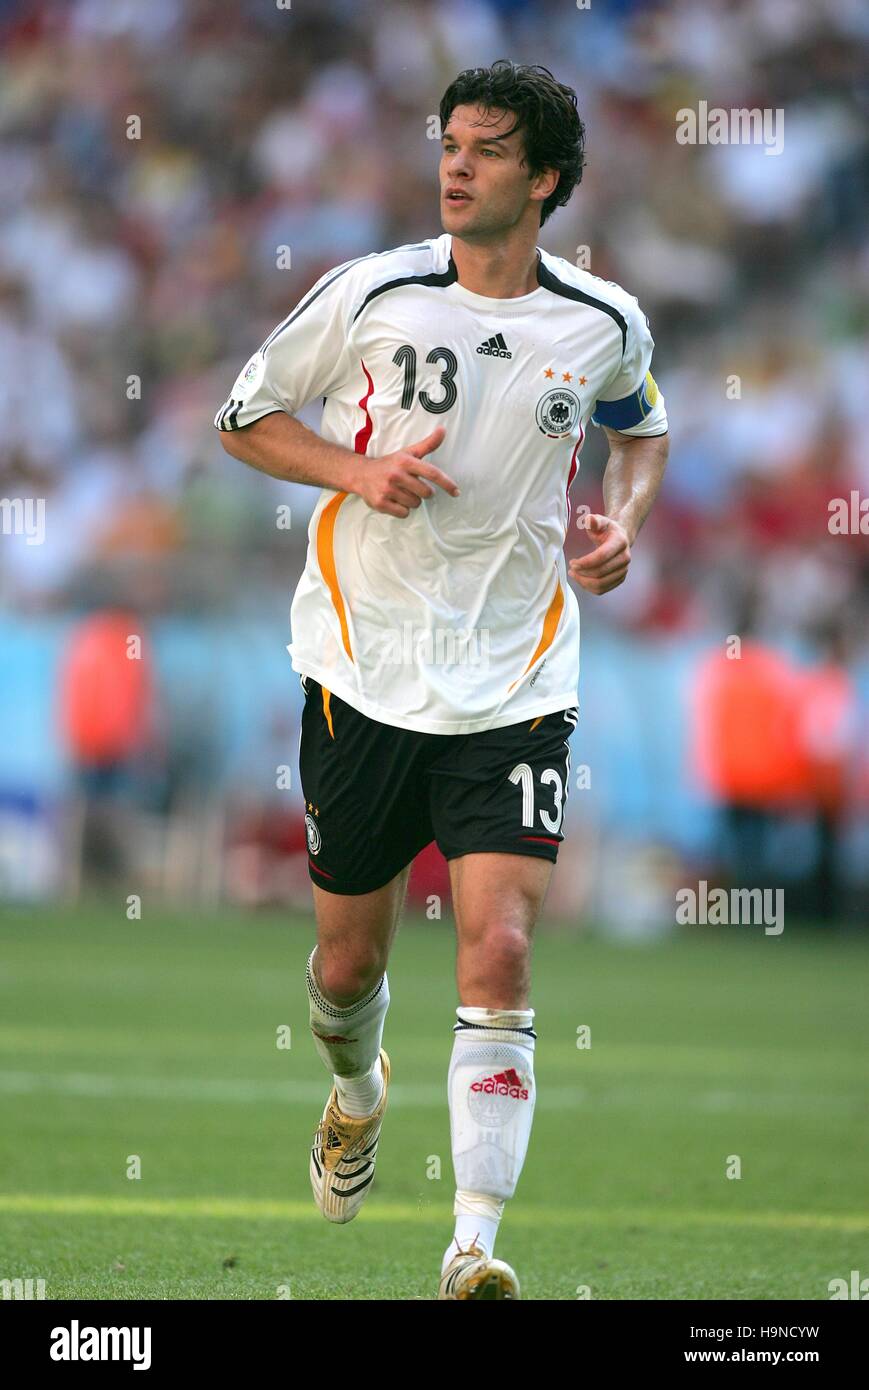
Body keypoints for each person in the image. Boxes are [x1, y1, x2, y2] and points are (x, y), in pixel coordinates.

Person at [216, 59, 669, 1300]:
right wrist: (351, 470)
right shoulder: (368, 292)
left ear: (545, 179)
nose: (454, 166)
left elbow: (640, 426)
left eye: (483, 150)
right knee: (349, 966)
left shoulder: (602, 321)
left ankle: (470, 1240)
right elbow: (243, 417)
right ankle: (356, 1092)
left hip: (515, 676)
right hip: (361, 671)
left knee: (502, 949)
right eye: (448, 145)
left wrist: (621, 519)